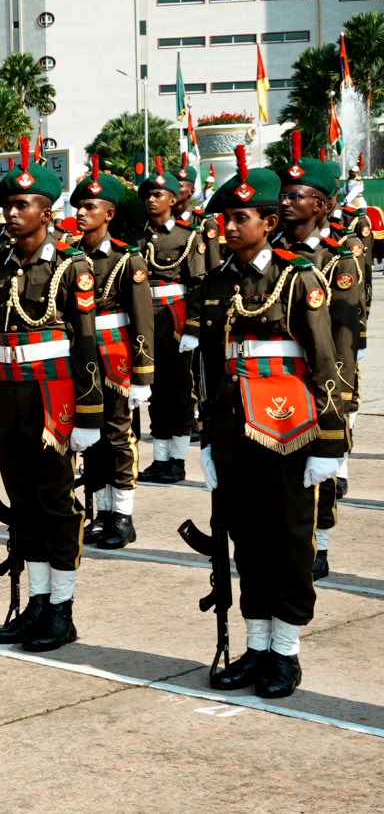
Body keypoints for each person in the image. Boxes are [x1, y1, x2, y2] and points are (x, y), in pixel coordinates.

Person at [189, 149, 345, 699]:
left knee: (288, 541)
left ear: (270, 223)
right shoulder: (212, 286)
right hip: (233, 434)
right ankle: (256, 647)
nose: (229, 228)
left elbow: (325, 362)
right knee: (246, 540)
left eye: (241, 219)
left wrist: (329, 441)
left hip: (288, 431)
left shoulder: (298, 278)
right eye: (224, 219)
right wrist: (207, 439)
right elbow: (208, 370)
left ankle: (285, 654)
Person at [0, 142, 104, 651]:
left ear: (46, 212)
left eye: (21, 206)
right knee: (24, 500)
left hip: (54, 397)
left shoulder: (71, 267)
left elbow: (87, 342)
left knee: (56, 502)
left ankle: (62, 607)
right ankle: (36, 601)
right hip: (10, 396)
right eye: (6, 206)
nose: (10, 214)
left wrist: (89, 412)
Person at [271, 134, 366, 579]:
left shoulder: (338, 261)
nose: (286, 203)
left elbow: (343, 339)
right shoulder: (268, 256)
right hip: (275, 382)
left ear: (323, 206)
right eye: (284, 195)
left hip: (321, 380)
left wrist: (338, 396)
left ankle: (319, 543)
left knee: (318, 473)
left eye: (298, 196)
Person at [71, 159, 155, 550]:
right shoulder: (70, 258)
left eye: (91, 207)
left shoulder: (127, 260)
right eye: (79, 207)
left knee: (118, 435)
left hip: (116, 355)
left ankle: (122, 514)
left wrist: (143, 374)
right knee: (92, 437)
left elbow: (142, 320)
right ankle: (102, 510)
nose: (82, 213)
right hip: (80, 358)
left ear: (110, 213)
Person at [137, 158, 206, 484]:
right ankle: (160, 458)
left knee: (179, 390)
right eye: (148, 194)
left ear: (173, 200)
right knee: (155, 389)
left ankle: (177, 460)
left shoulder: (188, 238)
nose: (152, 199)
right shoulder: (141, 239)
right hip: (148, 321)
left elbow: (198, 285)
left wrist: (192, 327)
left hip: (175, 320)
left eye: (158, 194)